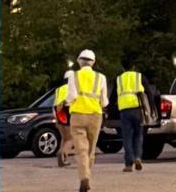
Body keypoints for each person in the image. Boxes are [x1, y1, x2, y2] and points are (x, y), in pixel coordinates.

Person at [66, 50, 108, 192]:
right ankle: (87, 177)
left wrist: (66, 102)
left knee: (81, 150)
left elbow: (71, 96)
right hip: (95, 116)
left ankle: (84, 177)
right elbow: (104, 101)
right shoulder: (101, 77)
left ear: (79, 61)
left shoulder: (74, 76)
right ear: (93, 62)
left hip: (77, 115)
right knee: (90, 150)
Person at [116, 57, 146, 173]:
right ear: (133, 66)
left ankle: (129, 164)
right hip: (137, 108)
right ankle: (138, 157)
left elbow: (114, 94)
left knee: (127, 137)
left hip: (124, 110)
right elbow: (146, 90)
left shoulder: (119, 79)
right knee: (138, 135)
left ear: (122, 67)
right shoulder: (138, 76)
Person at [53, 70, 74, 168]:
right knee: (71, 138)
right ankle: (62, 153)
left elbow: (54, 105)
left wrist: (56, 118)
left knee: (64, 138)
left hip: (58, 114)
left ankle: (63, 160)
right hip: (67, 112)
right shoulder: (72, 88)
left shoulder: (58, 89)